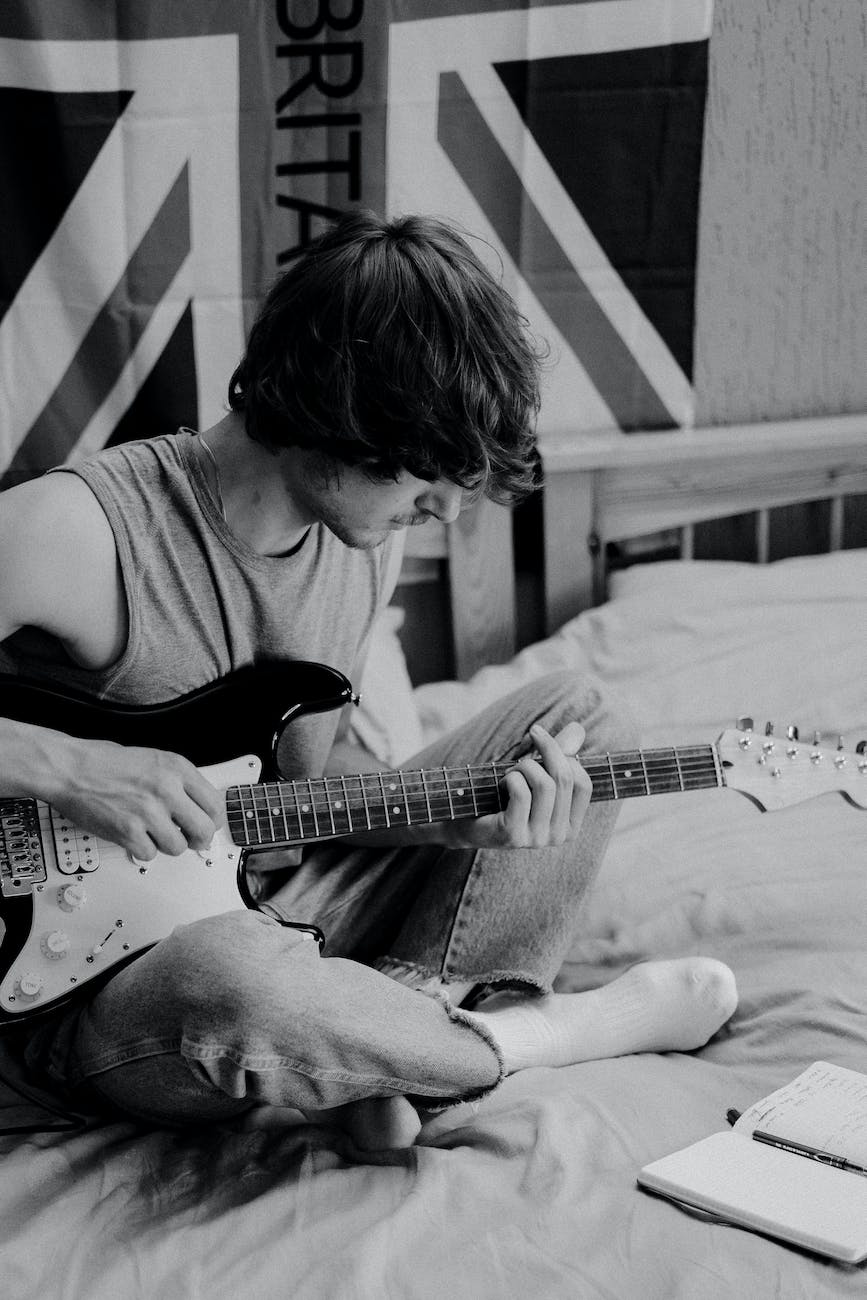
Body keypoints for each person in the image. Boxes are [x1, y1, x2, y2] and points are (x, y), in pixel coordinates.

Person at [0, 212, 737, 1150]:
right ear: (329, 411)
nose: (447, 510)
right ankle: (525, 1037)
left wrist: (445, 823)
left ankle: (384, 1046)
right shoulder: (74, 531)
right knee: (235, 979)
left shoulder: (363, 541)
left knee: (581, 721)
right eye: (426, 470)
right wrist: (69, 768)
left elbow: (297, 788)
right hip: (96, 986)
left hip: (275, 899)